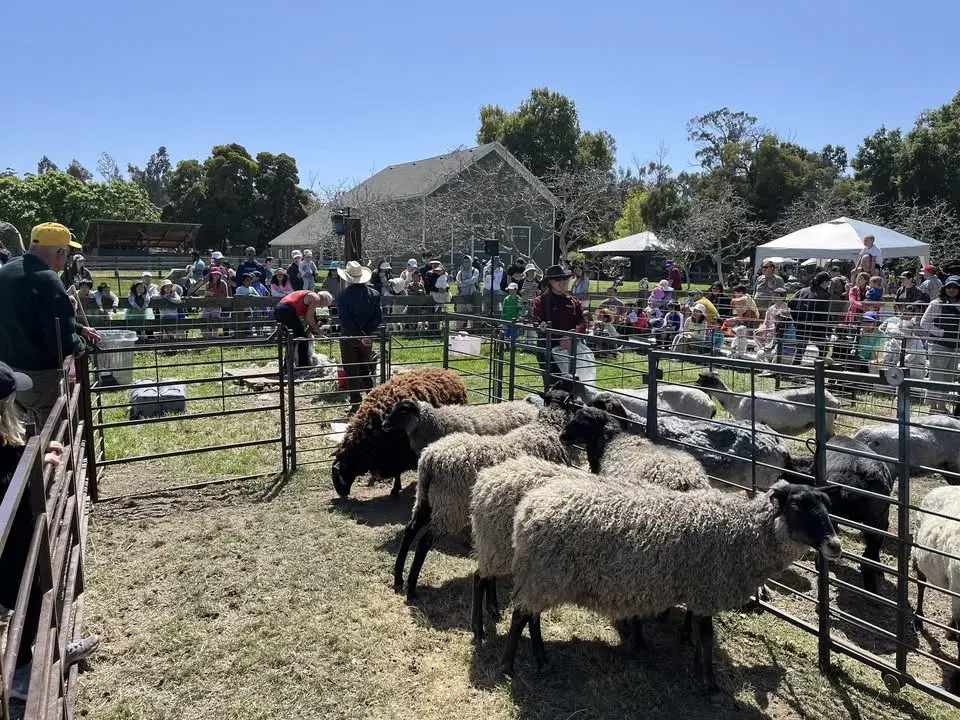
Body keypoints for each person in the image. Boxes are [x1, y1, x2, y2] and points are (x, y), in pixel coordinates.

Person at [1, 363, 100, 703]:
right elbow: (8, 492)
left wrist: (37, 456)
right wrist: (38, 469)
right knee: (30, 591)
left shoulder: (5, 445)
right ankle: (24, 672)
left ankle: (42, 653)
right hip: (11, 551)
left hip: (14, 548)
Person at [0, 223, 100, 433]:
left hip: (9, 371)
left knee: (21, 432)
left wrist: (80, 327)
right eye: (67, 252)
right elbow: (63, 337)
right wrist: (81, 345)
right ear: (60, 252)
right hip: (40, 375)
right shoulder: (47, 278)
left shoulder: (7, 272)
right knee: (56, 431)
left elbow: (31, 314)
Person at [335, 262, 382, 414]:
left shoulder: (343, 296)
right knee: (365, 367)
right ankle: (373, 400)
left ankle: (356, 403)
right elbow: (378, 317)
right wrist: (366, 333)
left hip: (349, 335)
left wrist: (359, 334)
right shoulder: (374, 294)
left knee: (351, 370)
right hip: (367, 336)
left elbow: (345, 320)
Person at [530, 265, 586, 389]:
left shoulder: (573, 301)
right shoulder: (541, 301)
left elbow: (582, 323)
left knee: (574, 385)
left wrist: (571, 335)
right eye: (557, 279)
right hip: (548, 349)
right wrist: (559, 339)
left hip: (571, 349)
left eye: (563, 279)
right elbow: (537, 322)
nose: (561, 282)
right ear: (550, 282)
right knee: (553, 386)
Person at [920, 276, 960, 411]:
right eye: (949, 287)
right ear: (945, 288)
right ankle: (932, 406)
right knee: (936, 376)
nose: (952, 290)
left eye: (955, 287)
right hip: (938, 345)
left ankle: (942, 405)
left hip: (955, 346)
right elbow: (924, 323)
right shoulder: (937, 304)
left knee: (949, 377)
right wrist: (941, 332)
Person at [789, 271, 833, 363]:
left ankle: (793, 368)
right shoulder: (824, 295)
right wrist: (828, 329)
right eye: (828, 282)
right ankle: (817, 368)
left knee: (800, 349)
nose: (828, 285)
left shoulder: (802, 291)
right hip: (816, 327)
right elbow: (824, 314)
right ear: (824, 282)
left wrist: (796, 320)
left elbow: (791, 305)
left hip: (800, 325)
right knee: (824, 348)